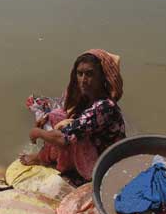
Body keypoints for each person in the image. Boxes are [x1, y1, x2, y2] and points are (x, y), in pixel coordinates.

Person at [20, 49, 126, 182]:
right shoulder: (87, 96)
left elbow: (64, 139)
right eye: (80, 74)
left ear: (102, 77)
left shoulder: (104, 107)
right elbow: (68, 113)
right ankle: (53, 157)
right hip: (92, 142)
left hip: (104, 158)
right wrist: (48, 118)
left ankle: (46, 159)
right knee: (57, 115)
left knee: (67, 136)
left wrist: (36, 132)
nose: (83, 80)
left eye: (90, 74)